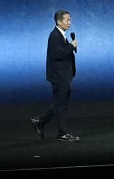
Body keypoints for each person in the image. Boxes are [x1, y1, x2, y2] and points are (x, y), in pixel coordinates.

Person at [31, 10, 79, 142]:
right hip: (59, 77)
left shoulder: (61, 34)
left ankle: (40, 121)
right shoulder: (54, 36)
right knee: (61, 105)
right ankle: (62, 134)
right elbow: (57, 54)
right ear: (59, 21)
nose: (70, 22)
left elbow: (63, 53)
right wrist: (71, 46)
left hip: (64, 75)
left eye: (70, 19)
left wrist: (70, 46)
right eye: (67, 20)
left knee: (60, 104)